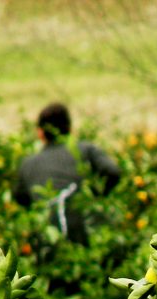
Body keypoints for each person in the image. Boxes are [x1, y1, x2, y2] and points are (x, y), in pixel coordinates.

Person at [14, 102, 121, 247]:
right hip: (88, 233)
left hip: (49, 239)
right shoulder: (86, 149)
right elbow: (113, 172)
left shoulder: (28, 164)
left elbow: (20, 198)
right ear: (69, 128)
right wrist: (96, 194)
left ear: (40, 132)